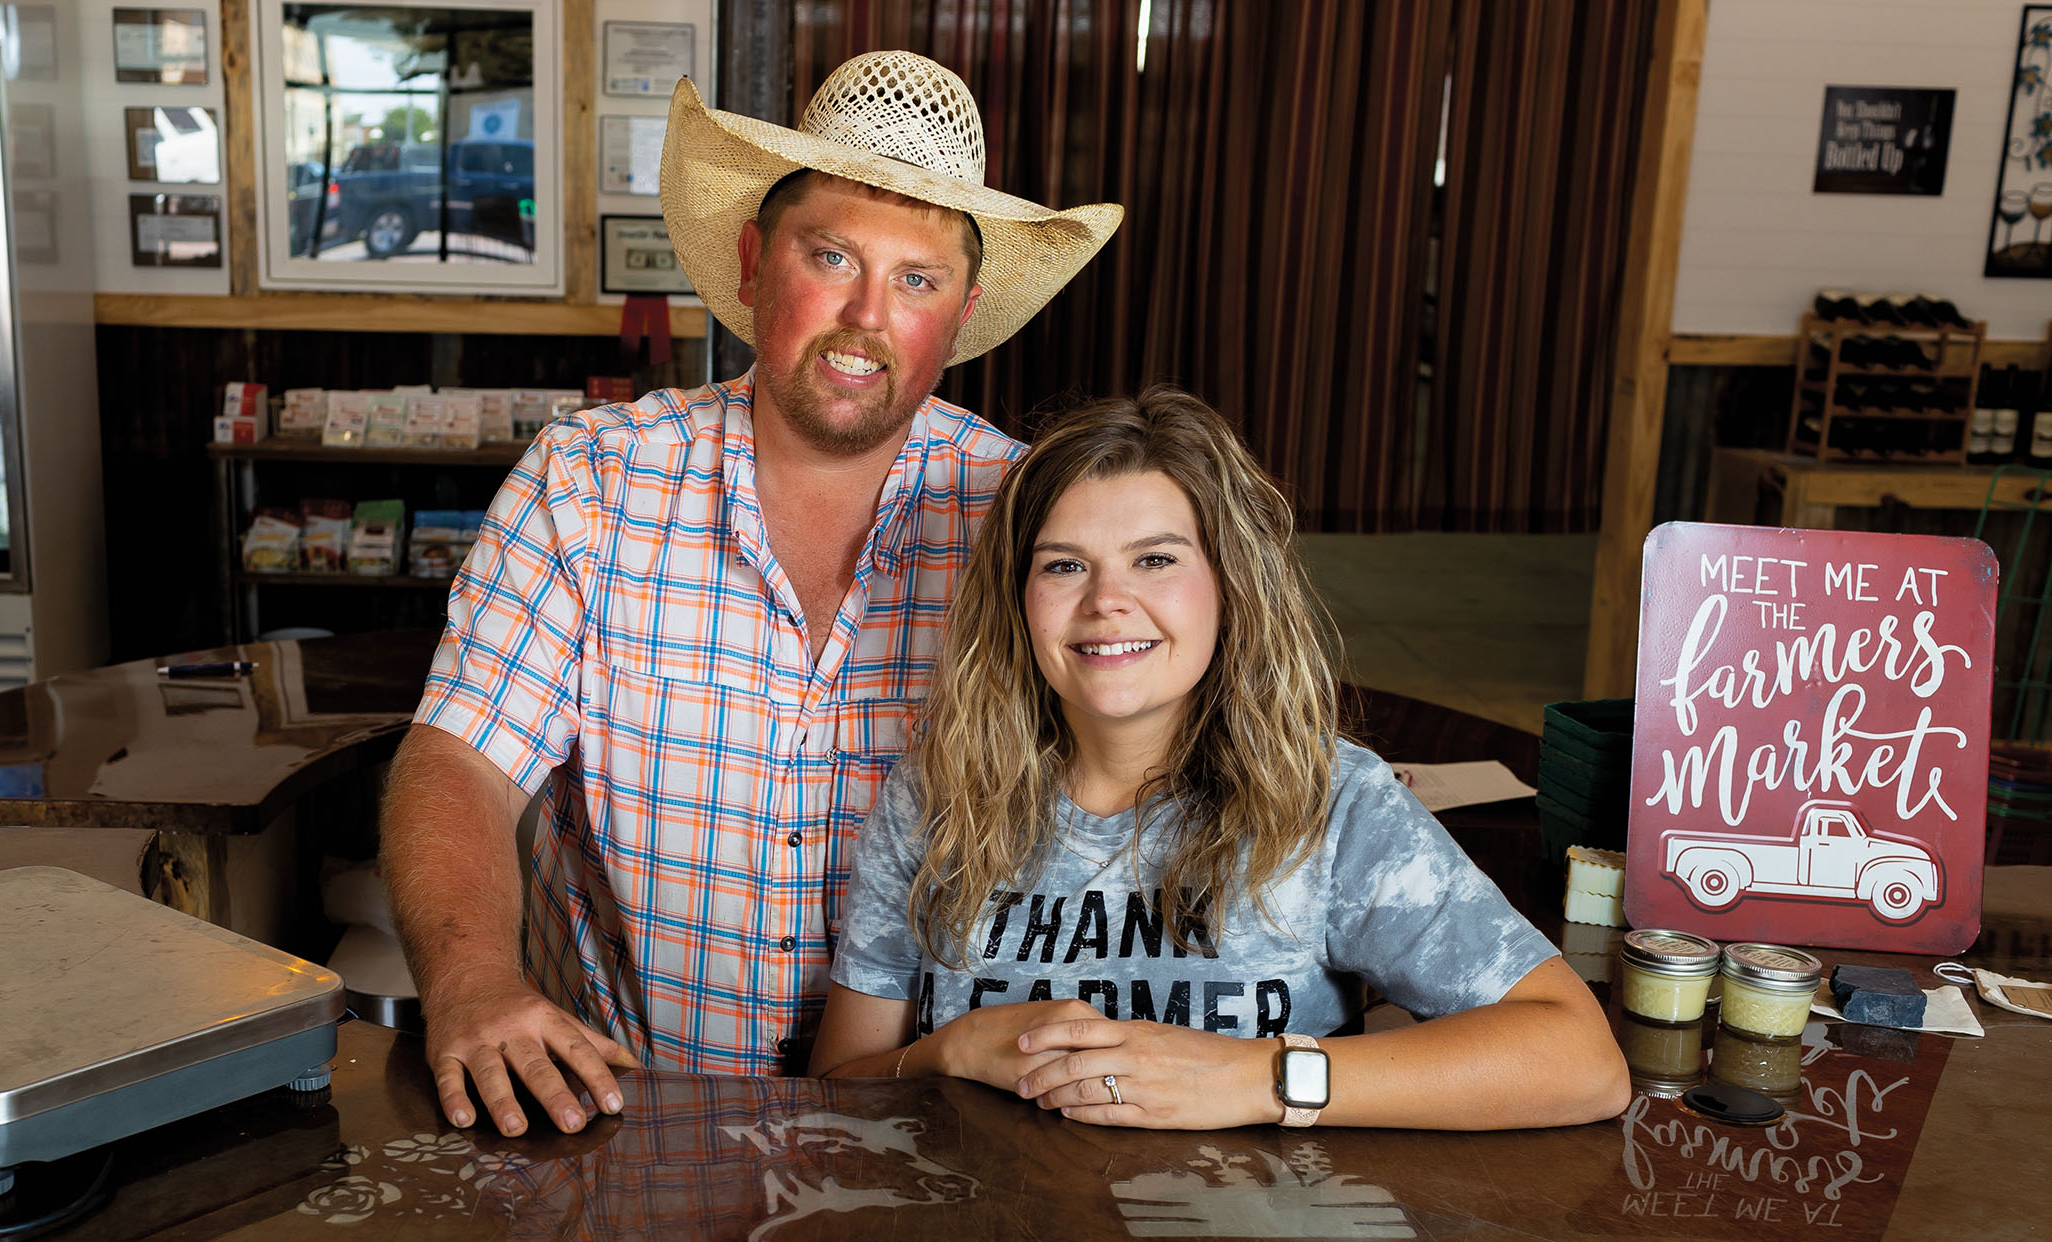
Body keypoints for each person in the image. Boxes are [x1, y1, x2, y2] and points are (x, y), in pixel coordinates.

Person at [381, 52, 1122, 1138]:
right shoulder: (590, 482)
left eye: (916, 281)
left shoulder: (1028, 516)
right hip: (626, 1115)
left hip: (943, 1124)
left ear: (959, 319)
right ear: (753, 263)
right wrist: (473, 981)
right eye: (832, 256)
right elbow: (458, 757)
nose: (868, 318)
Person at [809, 389, 1629, 1129]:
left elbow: (1580, 1062)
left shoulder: (1331, 802)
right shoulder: (937, 795)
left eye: (1156, 559)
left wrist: (1254, 1078)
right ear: (1019, 600)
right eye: (1064, 565)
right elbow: (839, 1082)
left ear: (1230, 585)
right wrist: (947, 1052)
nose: (1106, 601)